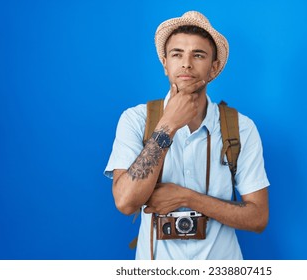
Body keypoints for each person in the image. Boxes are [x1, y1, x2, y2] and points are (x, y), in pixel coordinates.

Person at [104, 11, 270, 260]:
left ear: (214, 68)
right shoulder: (136, 119)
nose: (186, 64)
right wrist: (168, 125)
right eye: (177, 54)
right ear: (165, 64)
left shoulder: (240, 127)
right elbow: (126, 202)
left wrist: (188, 198)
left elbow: (258, 218)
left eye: (198, 55)